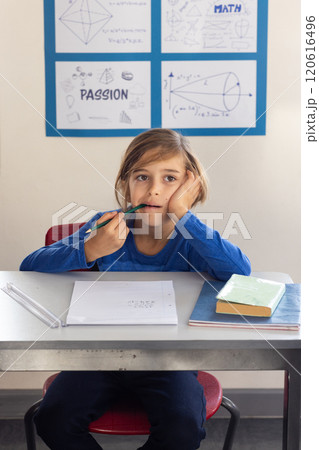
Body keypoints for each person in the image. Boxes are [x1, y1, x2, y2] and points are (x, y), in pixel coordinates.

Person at [20, 128, 251, 450]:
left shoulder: (194, 238)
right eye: (142, 177)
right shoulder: (104, 225)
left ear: (190, 186)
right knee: (53, 419)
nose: (154, 190)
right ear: (125, 185)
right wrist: (89, 249)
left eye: (170, 179)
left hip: (171, 361)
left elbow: (240, 272)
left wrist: (184, 215)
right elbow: (30, 266)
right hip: (97, 358)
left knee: (181, 429)